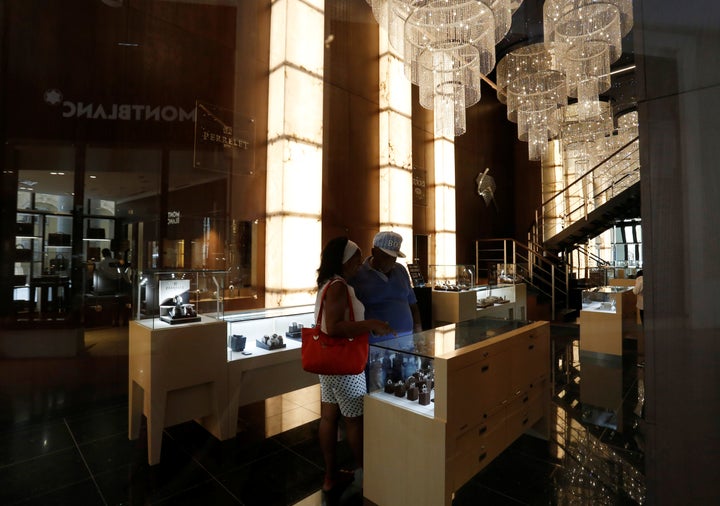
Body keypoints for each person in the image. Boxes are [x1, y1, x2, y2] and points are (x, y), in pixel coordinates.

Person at [313, 236, 393, 497]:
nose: (359, 264)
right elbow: (335, 327)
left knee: (328, 417)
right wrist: (371, 324)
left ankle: (330, 476)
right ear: (344, 260)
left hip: (329, 363)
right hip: (345, 365)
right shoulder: (338, 286)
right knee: (355, 422)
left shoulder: (328, 284)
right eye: (356, 258)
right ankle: (370, 477)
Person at [349, 231, 422, 342]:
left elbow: (412, 304)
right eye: (384, 256)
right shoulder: (358, 274)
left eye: (393, 257)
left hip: (406, 340)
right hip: (376, 344)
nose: (389, 262)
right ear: (373, 252)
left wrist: (418, 331)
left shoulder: (401, 270)